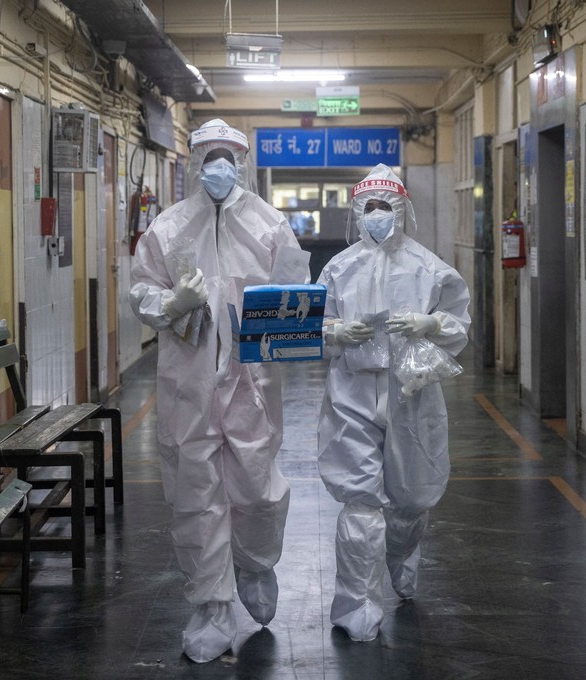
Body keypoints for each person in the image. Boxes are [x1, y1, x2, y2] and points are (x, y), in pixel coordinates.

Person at [130, 119, 304, 663]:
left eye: (228, 156)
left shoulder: (271, 226)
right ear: (195, 162)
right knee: (197, 492)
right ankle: (210, 605)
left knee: (256, 485)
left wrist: (297, 333)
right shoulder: (168, 228)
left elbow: (295, 297)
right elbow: (141, 291)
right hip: (190, 379)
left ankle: (254, 564)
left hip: (252, 380)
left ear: (242, 162)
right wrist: (172, 304)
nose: (218, 167)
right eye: (209, 157)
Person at [316, 164, 471, 642]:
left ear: (401, 209)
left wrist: (432, 325)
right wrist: (335, 332)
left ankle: (402, 559)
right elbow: (312, 326)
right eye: (370, 207)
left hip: (412, 393)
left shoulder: (430, 267)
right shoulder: (338, 269)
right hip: (352, 393)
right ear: (357, 211)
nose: (377, 215)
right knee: (360, 500)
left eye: (386, 207)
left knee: (410, 499)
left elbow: (459, 324)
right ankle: (358, 604)